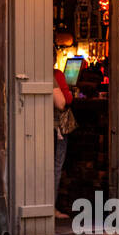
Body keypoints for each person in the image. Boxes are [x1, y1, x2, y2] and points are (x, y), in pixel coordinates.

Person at [53, 62, 74, 220]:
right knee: (55, 166)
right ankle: (50, 207)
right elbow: (62, 102)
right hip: (56, 128)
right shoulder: (55, 75)